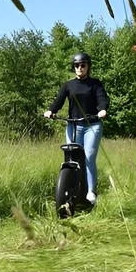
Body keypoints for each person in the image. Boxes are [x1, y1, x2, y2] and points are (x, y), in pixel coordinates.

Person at [43, 53, 110, 205]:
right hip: (73, 125)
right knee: (72, 157)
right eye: (77, 65)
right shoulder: (68, 85)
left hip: (92, 125)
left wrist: (102, 109)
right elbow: (58, 101)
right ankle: (74, 189)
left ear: (88, 66)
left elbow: (102, 98)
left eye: (83, 65)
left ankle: (91, 192)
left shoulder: (95, 84)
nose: (80, 68)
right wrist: (51, 111)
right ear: (74, 67)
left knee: (88, 157)